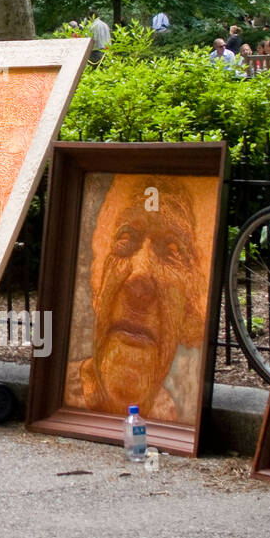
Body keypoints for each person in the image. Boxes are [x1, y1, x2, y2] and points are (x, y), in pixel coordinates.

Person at [64, 175, 210, 422]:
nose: (138, 280)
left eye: (171, 252)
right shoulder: (62, 390)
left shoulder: (169, 415)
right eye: (126, 240)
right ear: (98, 284)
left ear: (189, 308)